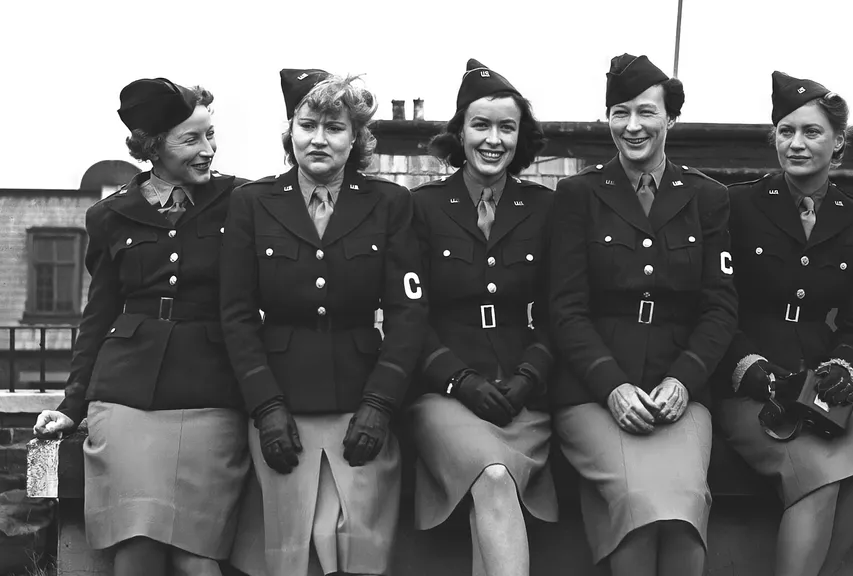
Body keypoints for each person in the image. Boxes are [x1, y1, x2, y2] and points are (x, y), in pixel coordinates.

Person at [32, 78, 248, 576]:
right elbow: (98, 316)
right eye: (191, 139)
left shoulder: (241, 200)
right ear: (153, 145)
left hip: (211, 391)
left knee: (198, 557)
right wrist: (72, 404)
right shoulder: (109, 215)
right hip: (126, 392)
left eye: (211, 136)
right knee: (137, 549)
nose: (208, 150)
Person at [220, 69, 427, 576]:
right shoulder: (251, 203)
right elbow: (236, 314)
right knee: (297, 543)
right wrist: (265, 408)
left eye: (334, 127)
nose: (319, 138)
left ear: (355, 137)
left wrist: (380, 404)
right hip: (281, 400)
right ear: (290, 130)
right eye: (307, 124)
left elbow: (409, 312)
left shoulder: (389, 203)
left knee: (353, 538)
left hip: (362, 400)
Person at [547, 53, 737, 576]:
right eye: (619, 112)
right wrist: (611, 385)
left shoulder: (707, 198)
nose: (632, 126)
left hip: (681, 388)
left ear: (670, 119)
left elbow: (721, 307)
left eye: (646, 113)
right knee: (637, 503)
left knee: (682, 508)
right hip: (593, 390)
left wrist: (685, 379)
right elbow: (564, 309)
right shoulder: (577, 196)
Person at [712, 71, 853, 576]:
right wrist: (750, 369)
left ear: (838, 142)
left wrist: (846, 367)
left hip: (824, 376)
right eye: (786, 131)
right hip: (750, 380)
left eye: (812, 132)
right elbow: (713, 305)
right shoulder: (734, 205)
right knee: (819, 476)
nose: (796, 143)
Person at [408, 58, 557, 576]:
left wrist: (529, 377)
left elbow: (561, 312)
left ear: (520, 137)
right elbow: (409, 316)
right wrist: (458, 379)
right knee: (492, 476)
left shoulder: (544, 208)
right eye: (481, 125)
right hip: (444, 395)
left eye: (506, 127)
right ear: (460, 132)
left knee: (493, 487)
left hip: (522, 399)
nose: (493, 139)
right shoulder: (422, 208)